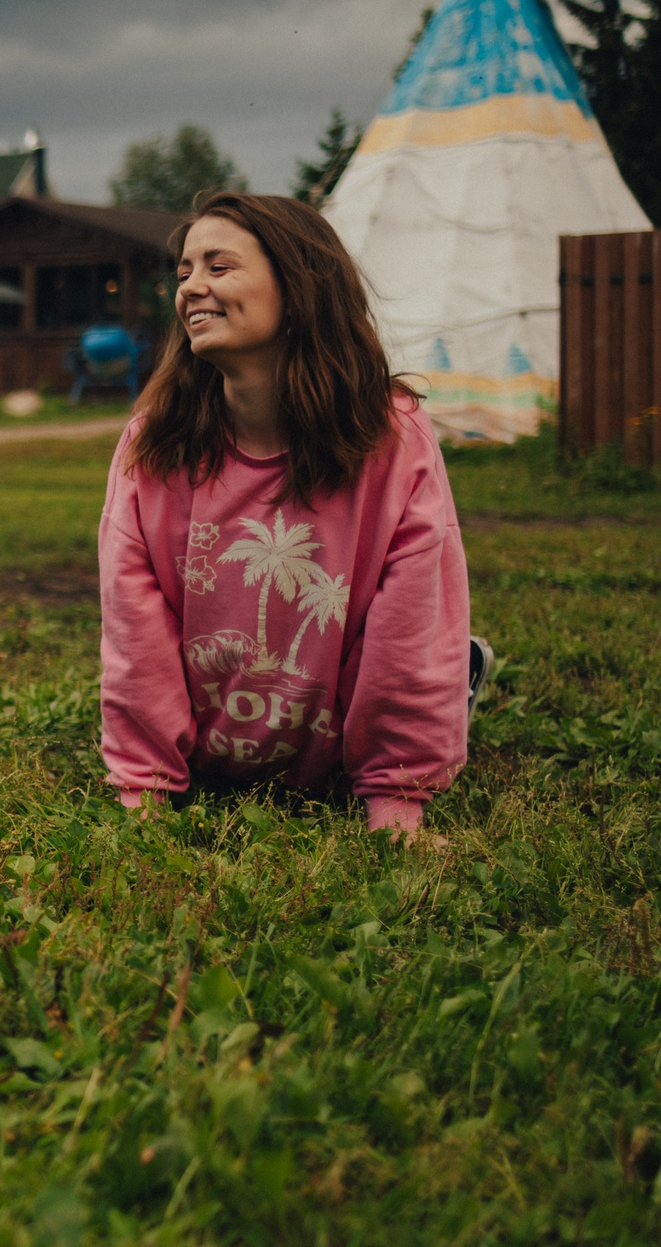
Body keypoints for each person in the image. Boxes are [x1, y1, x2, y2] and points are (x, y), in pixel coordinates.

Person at [99, 192, 480, 836]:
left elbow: (408, 629)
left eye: (219, 267)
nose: (191, 286)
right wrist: (145, 791)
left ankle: (464, 671)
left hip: (337, 757)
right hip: (214, 753)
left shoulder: (393, 440)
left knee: (437, 651)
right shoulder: (152, 445)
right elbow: (137, 631)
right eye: (184, 271)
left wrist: (396, 799)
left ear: (298, 285)